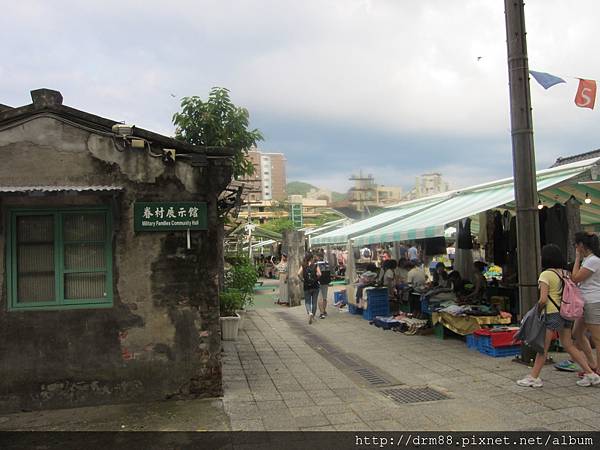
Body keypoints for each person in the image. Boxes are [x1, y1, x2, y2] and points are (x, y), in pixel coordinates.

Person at [517, 244, 600, 388]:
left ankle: (534, 377)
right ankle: (590, 373)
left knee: (543, 348)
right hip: (566, 313)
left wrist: (537, 311)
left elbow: (543, 299)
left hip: (551, 314)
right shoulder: (565, 273)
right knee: (569, 345)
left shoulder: (546, 275)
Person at [571, 231, 600, 377]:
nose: (575, 248)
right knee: (577, 333)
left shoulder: (592, 260)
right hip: (586, 301)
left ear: (581, 245)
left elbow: (575, 278)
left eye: (576, 245)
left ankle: (598, 369)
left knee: (597, 337)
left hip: (593, 301)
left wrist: (576, 259)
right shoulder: (589, 260)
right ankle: (592, 364)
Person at [298, 253, 321, 324]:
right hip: (315, 286)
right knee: (314, 302)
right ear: (311, 258)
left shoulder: (303, 265)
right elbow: (320, 274)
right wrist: (317, 278)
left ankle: (309, 313)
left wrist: (302, 280)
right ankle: (313, 316)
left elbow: (298, 274)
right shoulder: (315, 265)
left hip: (306, 286)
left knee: (307, 302)